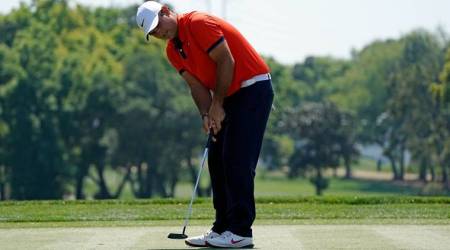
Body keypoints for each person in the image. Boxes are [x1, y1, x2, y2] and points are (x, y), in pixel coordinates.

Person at [136, 1, 274, 248]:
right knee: (217, 161)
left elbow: (226, 61)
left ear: (166, 11)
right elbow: (196, 86)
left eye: (158, 25)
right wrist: (206, 114)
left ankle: (241, 231)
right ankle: (222, 228)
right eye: (153, 33)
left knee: (236, 160)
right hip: (229, 95)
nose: (159, 33)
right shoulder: (172, 51)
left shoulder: (198, 23)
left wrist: (217, 104)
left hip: (252, 88)